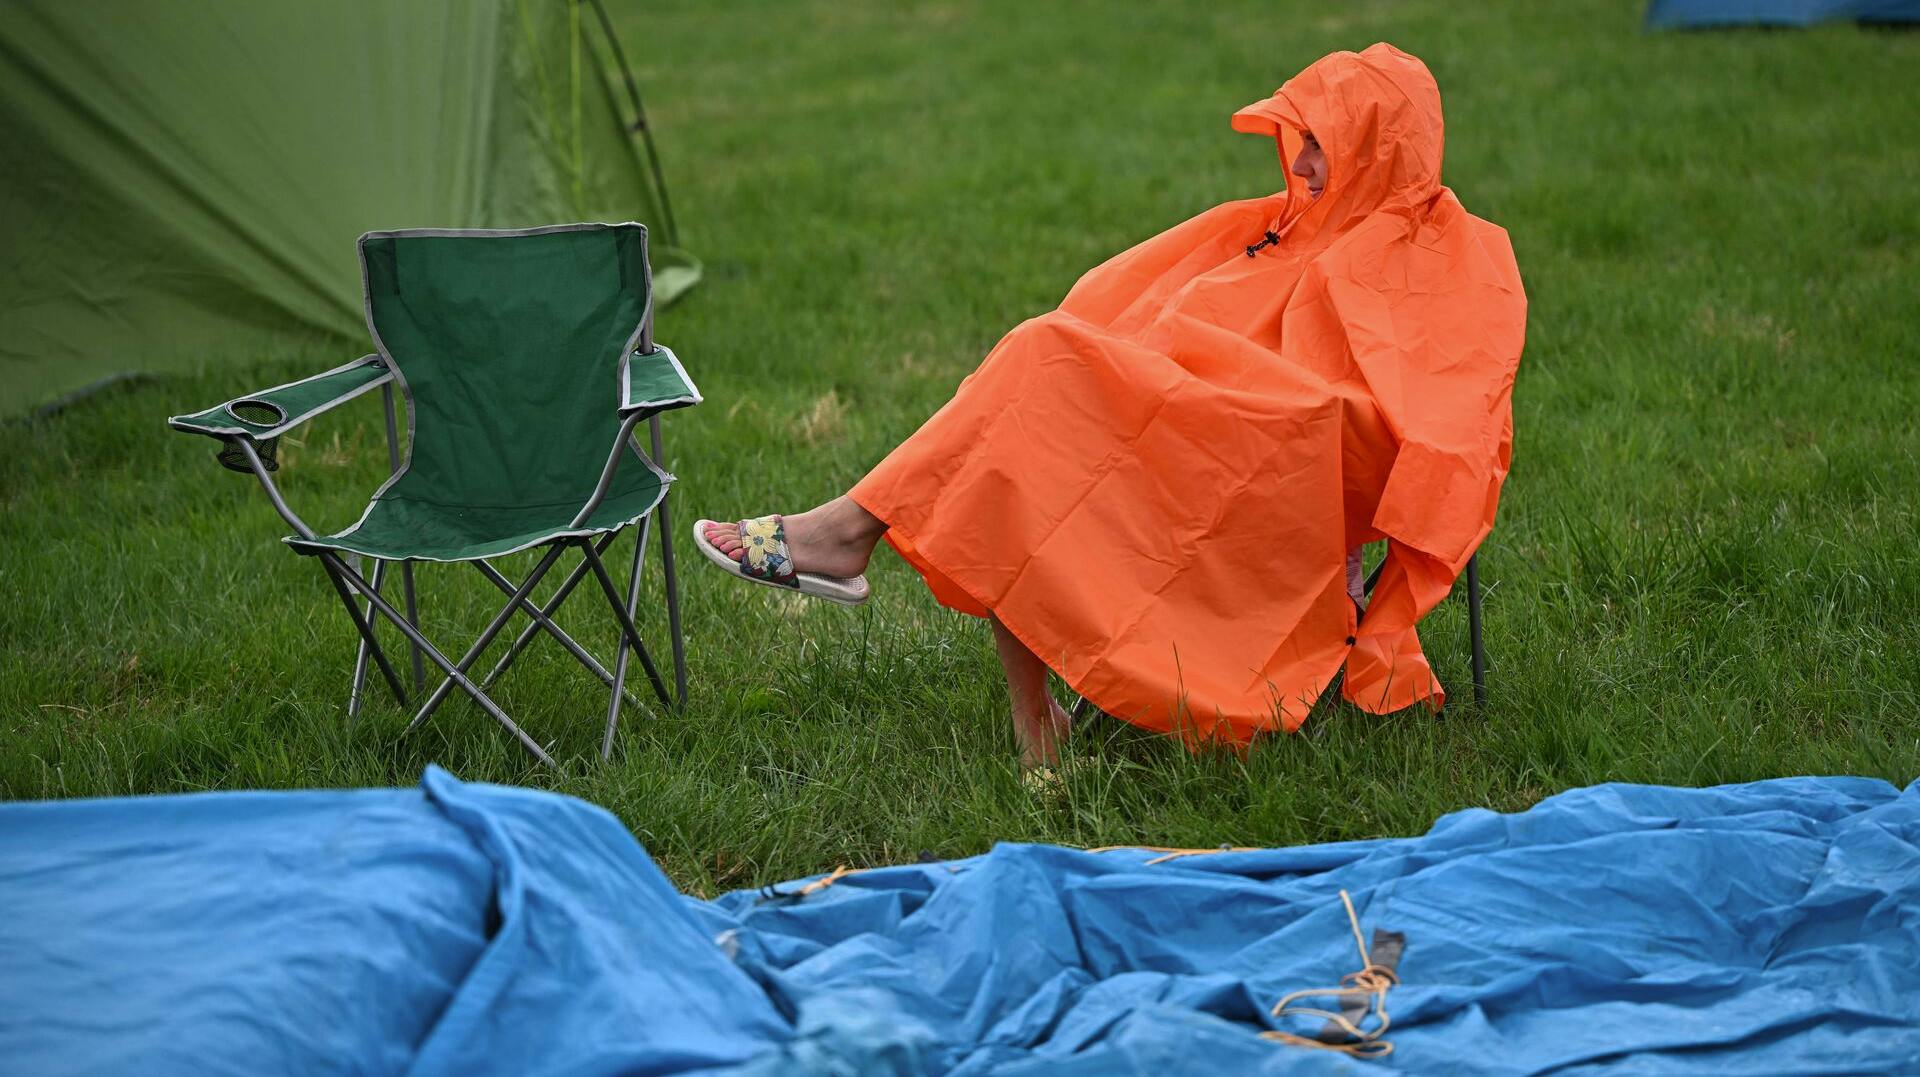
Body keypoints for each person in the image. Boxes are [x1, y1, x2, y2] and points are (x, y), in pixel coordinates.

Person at [695, 43, 1527, 770]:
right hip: (1199, 413)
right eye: (1301, 141)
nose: (1301, 165)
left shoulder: (1445, 249)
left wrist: (1209, 391)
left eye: (1321, 146)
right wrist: (1144, 368)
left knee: (1037, 386)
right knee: (1034, 393)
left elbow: (1442, 418)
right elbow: (1164, 298)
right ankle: (1024, 715)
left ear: (1379, 150)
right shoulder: (1293, 225)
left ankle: (846, 538)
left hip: (1285, 451)